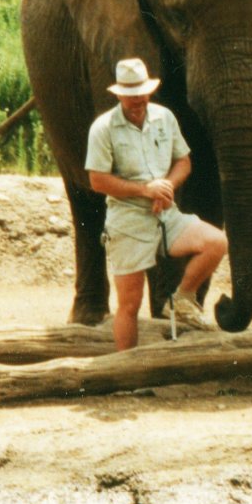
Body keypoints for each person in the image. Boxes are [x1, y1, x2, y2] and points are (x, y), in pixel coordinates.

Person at [86, 57, 228, 351]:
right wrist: (144, 190)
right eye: (131, 95)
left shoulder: (165, 118)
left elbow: (183, 162)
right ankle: (128, 370)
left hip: (167, 214)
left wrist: (167, 187)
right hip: (128, 221)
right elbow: (97, 180)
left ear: (149, 91)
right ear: (119, 95)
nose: (137, 100)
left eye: (141, 93)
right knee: (130, 304)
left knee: (216, 242)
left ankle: (182, 299)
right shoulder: (103, 128)